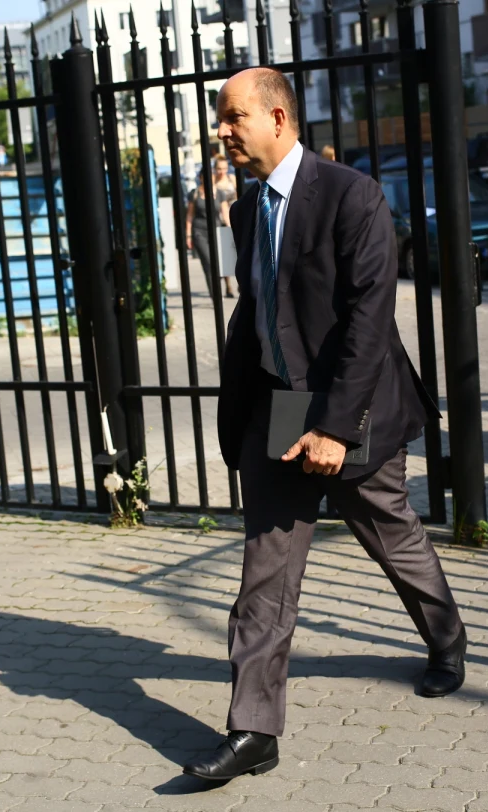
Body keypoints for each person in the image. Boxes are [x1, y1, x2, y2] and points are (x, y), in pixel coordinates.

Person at [182, 67, 466, 781]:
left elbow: (370, 318)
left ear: (277, 119)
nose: (221, 130)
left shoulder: (352, 195)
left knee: (391, 536)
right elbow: (260, 311)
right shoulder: (246, 209)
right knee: (265, 576)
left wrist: (336, 428)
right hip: (278, 409)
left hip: (351, 403)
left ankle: (446, 639)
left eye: (233, 116)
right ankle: (254, 729)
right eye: (220, 118)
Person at [186, 156, 238, 297]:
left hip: (218, 228)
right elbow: (190, 215)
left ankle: (227, 285)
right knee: (210, 262)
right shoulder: (195, 193)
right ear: (201, 178)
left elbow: (225, 212)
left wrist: (231, 229)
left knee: (222, 260)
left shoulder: (223, 190)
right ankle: (215, 293)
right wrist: (188, 235)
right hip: (199, 231)